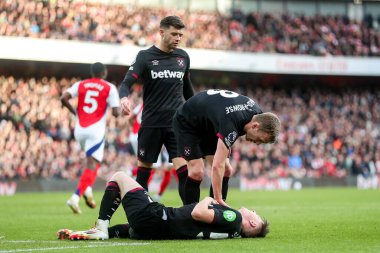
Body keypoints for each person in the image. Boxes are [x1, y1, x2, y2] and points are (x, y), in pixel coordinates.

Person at [57, 171, 269, 240]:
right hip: (154, 229)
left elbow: (198, 212)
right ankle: (95, 232)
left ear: (251, 222)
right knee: (127, 229)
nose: (253, 211)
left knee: (120, 177)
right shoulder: (231, 229)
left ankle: (101, 228)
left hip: (157, 218)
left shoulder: (236, 219)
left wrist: (210, 198)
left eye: (256, 215)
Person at [118, 15, 194, 200]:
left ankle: (191, 214)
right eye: (174, 33)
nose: (178, 38)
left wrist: (199, 112)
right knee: (144, 171)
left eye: (180, 35)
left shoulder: (183, 57)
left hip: (176, 124)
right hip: (151, 123)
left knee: (184, 171)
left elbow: (188, 90)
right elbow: (126, 83)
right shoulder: (145, 57)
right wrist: (123, 98)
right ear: (161, 32)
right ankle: (141, 215)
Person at [172, 89, 281, 206]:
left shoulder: (257, 114)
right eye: (260, 139)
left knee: (227, 170)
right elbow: (217, 166)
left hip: (208, 125)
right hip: (188, 121)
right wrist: (218, 198)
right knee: (197, 171)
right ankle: (190, 216)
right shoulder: (232, 124)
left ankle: (214, 210)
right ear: (255, 126)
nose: (258, 143)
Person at [61, 62, 120, 214]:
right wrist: (119, 109)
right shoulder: (109, 87)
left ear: (92, 72)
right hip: (95, 130)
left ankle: (88, 189)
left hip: (79, 129)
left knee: (94, 162)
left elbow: (63, 98)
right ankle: (75, 197)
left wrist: (75, 113)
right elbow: (115, 112)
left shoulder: (81, 84)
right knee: (92, 165)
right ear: (104, 73)